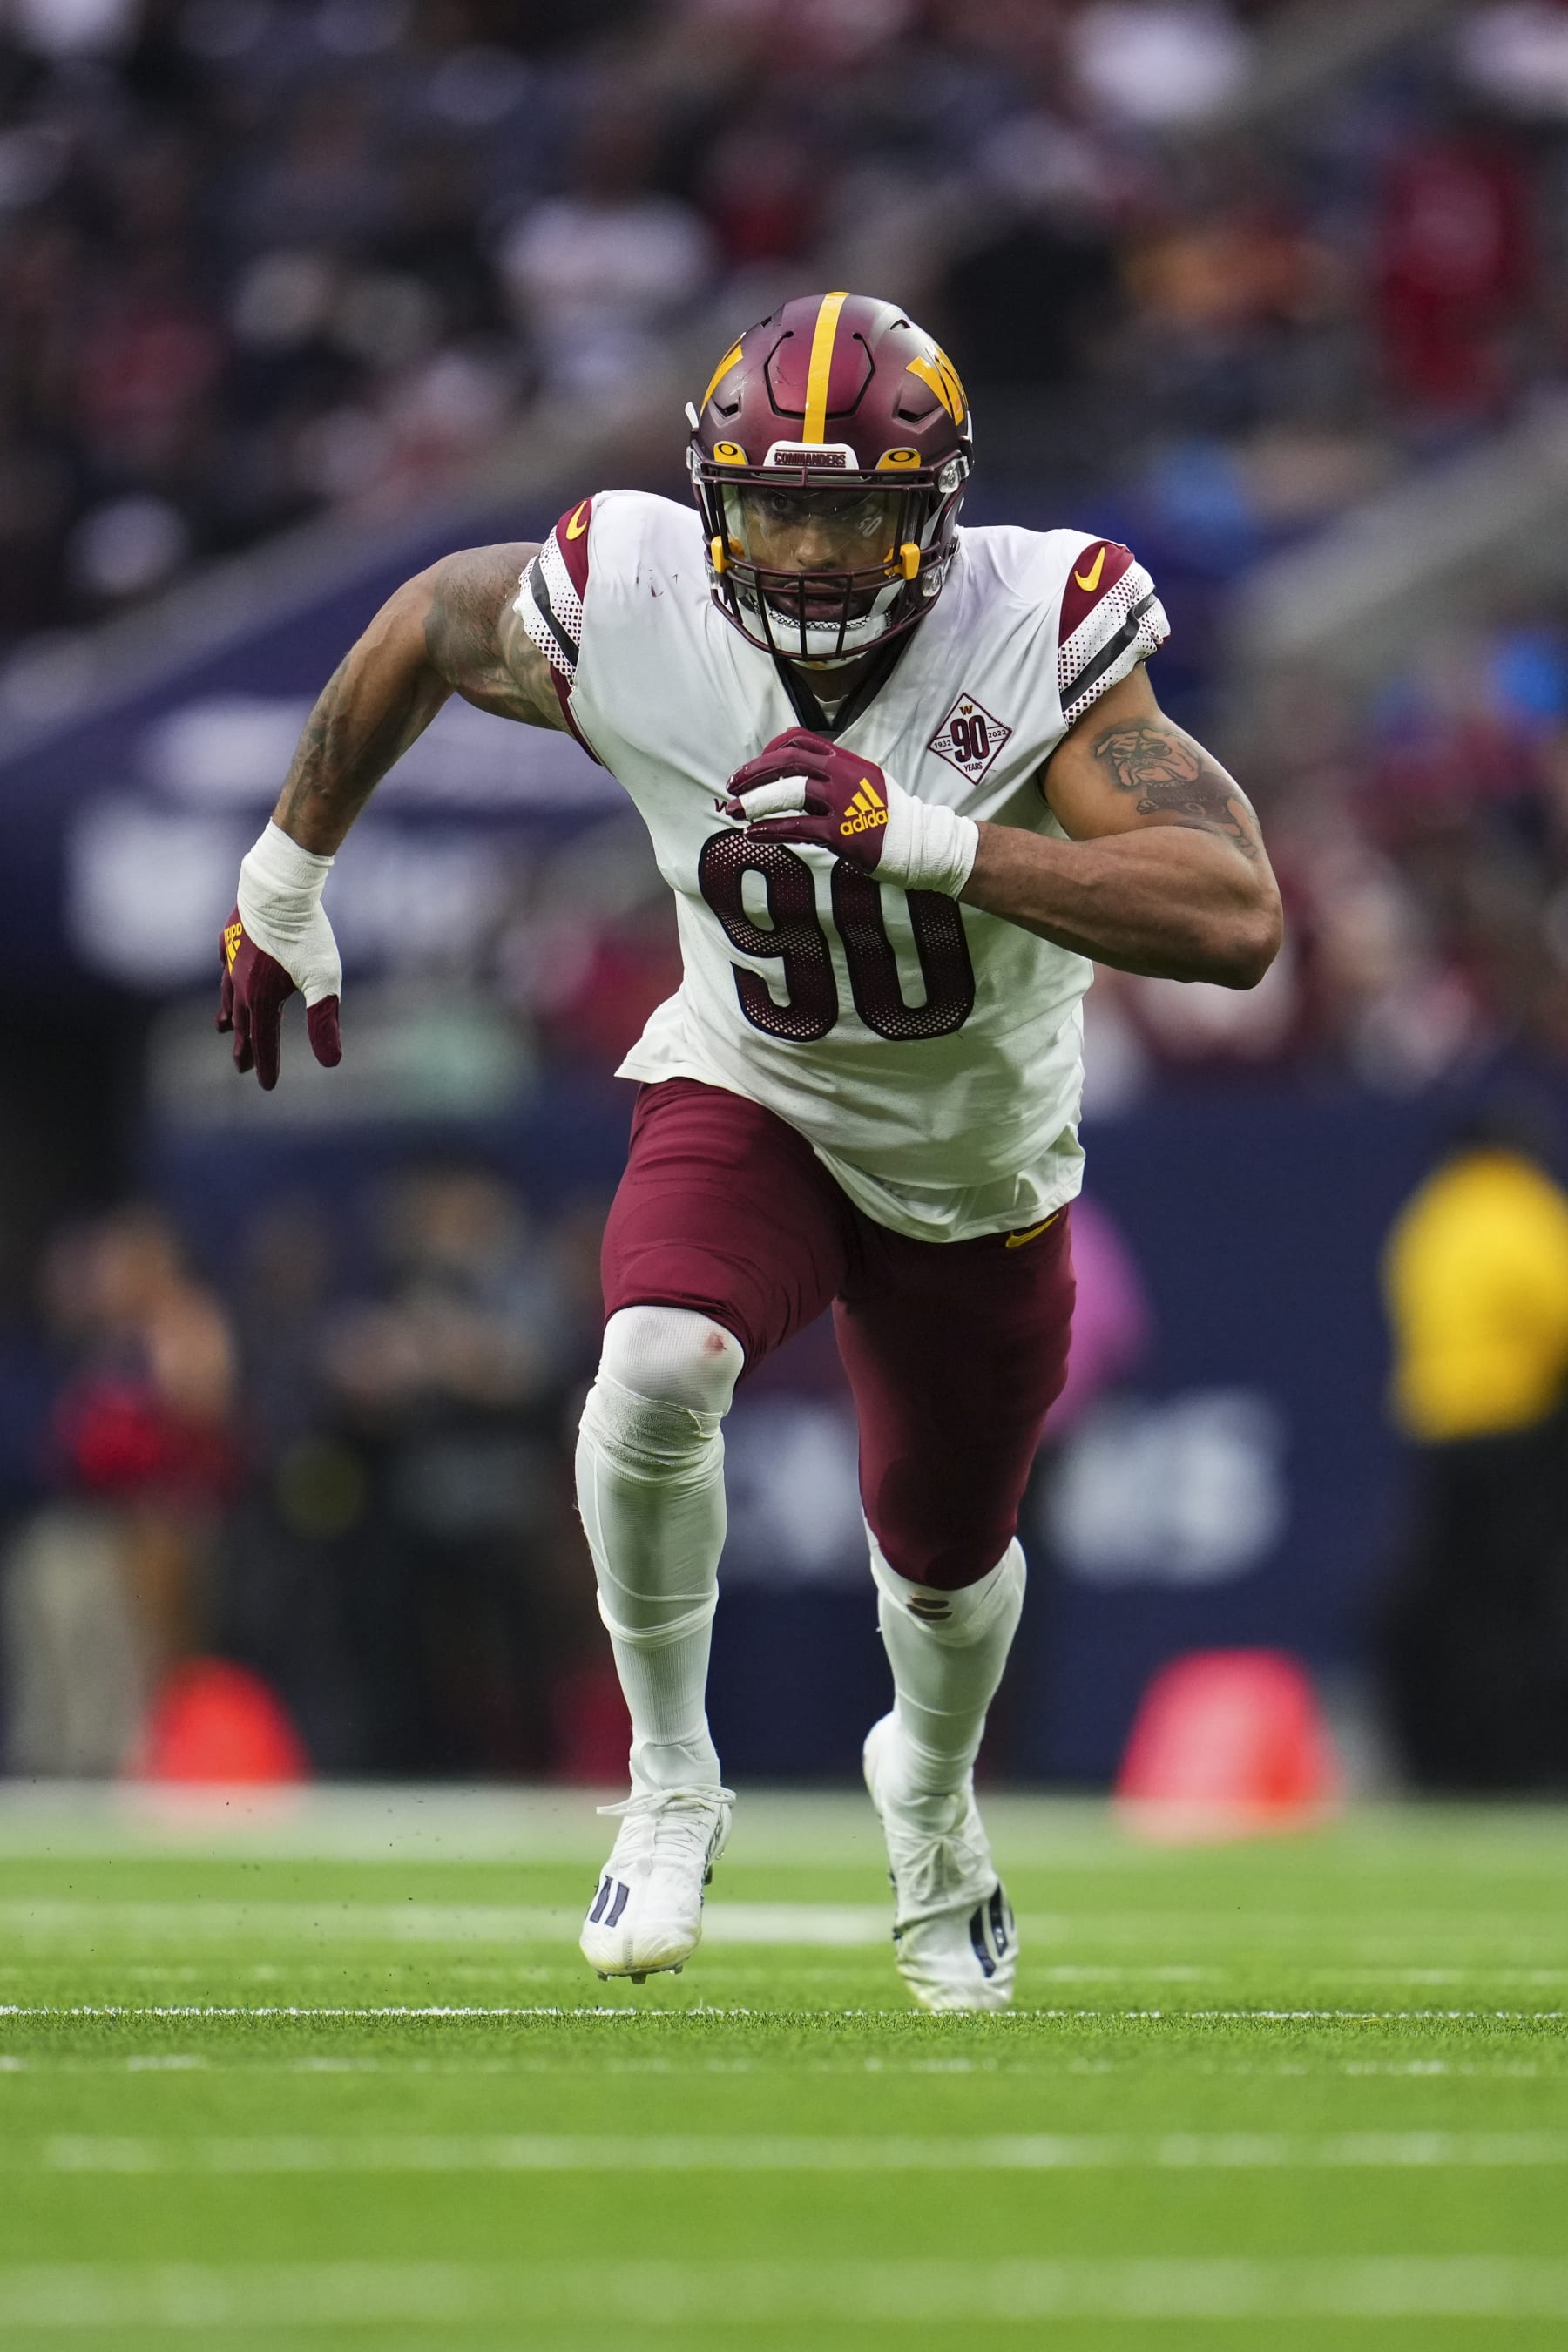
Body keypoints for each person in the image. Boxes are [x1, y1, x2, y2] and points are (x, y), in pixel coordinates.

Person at [215, 292, 1281, 2010]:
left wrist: (928, 839)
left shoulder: (1036, 627)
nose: (810, 547)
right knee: (650, 1365)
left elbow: (1234, 916)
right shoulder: (631, 594)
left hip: (976, 1164)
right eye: (779, 503)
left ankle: (932, 1821)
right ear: (713, 497)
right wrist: (286, 877)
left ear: (934, 514)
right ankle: (667, 1782)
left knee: (946, 1568)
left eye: (858, 507)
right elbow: (427, 618)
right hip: (752, 1092)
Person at [1379, 1106, 1568, 1788]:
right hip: (1520, 1433)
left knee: (1454, 1601)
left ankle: (1448, 1755)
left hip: (1439, 1431)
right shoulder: (1525, 1210)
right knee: (1517, 1603)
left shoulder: (1432, 1215)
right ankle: (1519, 1755)